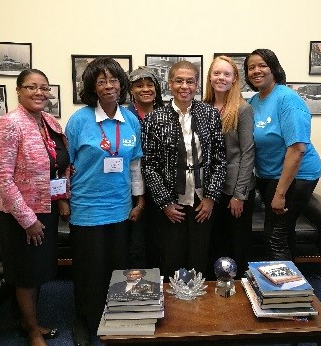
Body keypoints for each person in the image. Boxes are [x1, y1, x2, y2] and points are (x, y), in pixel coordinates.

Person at [65, 57, 144, 346]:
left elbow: (135, 165)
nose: (109, 86)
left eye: (113, 80)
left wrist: (139, 201)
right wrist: (63, 202)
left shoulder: (130, 120)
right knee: (89, 271)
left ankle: (114, 318)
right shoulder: (79, 120)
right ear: (93, 88)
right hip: (86, 210)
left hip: (120, 209)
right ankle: (84, 320)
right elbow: (65, 165)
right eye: (101, 81)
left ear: (121, 84)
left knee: (117, 269)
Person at [0, 69, 70, 346]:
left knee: (38, 271)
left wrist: (62, 200)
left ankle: (29, 320)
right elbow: (1, 178)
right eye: (31, 87)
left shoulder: (50, 122)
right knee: (26, 275)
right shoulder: (9, 124)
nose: (39, 92)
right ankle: (34, 331)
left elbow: (61, 166)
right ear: (18, 90)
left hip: (46, 209)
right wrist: (27, 220)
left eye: (44, 87)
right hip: (20, 215)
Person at [142, 60, 227, 280]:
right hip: (172, 203)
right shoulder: (154, 118)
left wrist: (211, 198)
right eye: (179, 80)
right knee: (172, 261)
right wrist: (165, 203)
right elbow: (149, 166)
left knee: (199, 261)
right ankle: (175, 312)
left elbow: (219, 159)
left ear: (197, 85)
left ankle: (198, 311)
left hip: (202, 202)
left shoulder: (209, 114)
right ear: (170, 83)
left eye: (190, 81)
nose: (184, 86)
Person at [244, 49, 321, 261]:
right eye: (251, 67)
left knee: (274, 237)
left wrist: (280, 193)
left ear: (274, 68)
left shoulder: (288, 99)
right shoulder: (254, 101)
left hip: (297, 177)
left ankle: (285, 290)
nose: (256, 71)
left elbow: (297, 149)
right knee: (283, 233)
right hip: (268, 175)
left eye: (262, 65)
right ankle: (295, 279)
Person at [203, 56, 255, 277]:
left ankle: (240, 298)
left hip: (235, 189)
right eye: (216, 73)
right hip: (210, 190)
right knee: (214, 244)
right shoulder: (202, 107)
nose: (221, 78)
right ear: (210, 77)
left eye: (226, 74)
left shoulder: (242, 109)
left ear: (234, 79)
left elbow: (247, 152)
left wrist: (239, 195)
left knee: (236, 247)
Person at [126, 67, 165, 269]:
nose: (145, 89)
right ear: (131, 89)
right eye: (139, 85)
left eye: (150, 85)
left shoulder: (167, 113)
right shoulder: (124, 115)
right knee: (136, 240)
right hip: (133, 186)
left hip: (163, 186)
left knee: (159, 240)